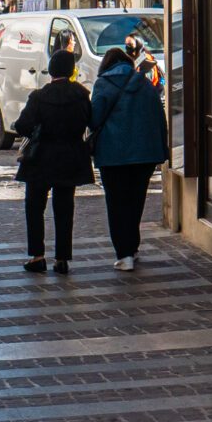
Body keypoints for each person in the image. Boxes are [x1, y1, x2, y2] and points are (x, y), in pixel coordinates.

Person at [13, 49, 95, 274]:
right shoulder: (81, 95)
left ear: (51, 70)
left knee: (34, 207)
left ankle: (37, 256)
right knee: (65, 208)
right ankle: (62, 259)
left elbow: (22, 125)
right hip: (70, 156)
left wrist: (37, 130)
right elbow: (90, 121)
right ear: (71, 70)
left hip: (41, 157)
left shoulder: (39, 97)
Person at [89, 45, 168, 271]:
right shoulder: (145, 84)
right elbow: (159, 117)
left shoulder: (104, 84)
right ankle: (132, 247)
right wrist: (161, 149)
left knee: (116, 204)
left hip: (113, 155)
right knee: (135, 201)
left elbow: (94, 119)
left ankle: (124, 254)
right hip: (144, 155)